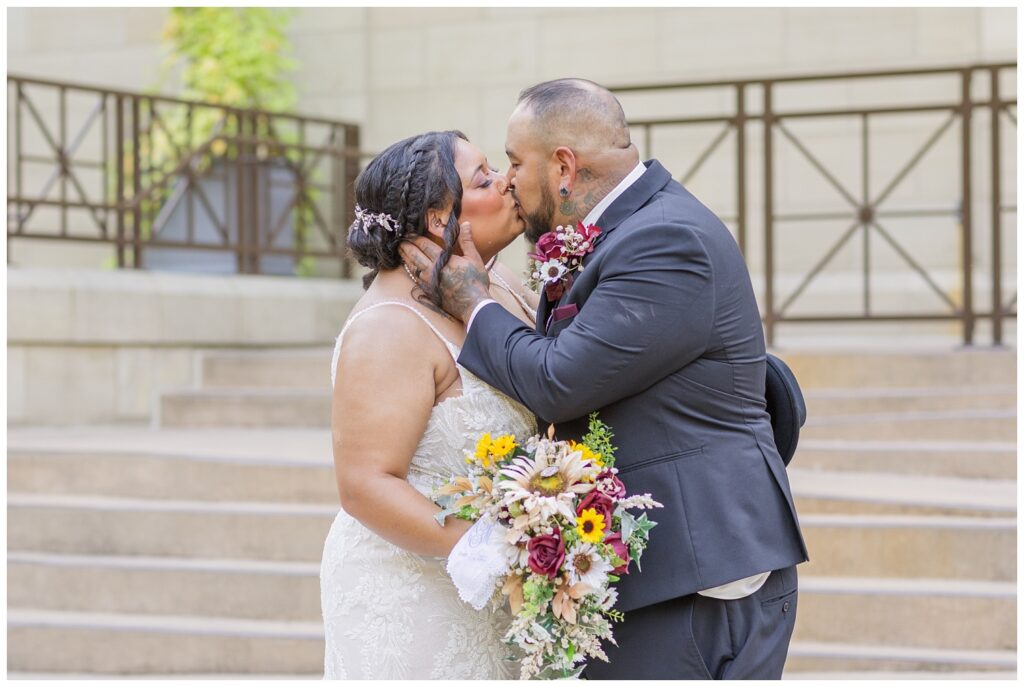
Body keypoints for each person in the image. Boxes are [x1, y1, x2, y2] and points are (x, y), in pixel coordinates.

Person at [399, 79, 810, 680]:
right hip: (662, 572)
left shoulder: (666, 241)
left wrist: (473, 304)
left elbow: (559, 382)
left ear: (564, 166)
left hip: (702, 578)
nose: (508, 180)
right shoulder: (625, 229)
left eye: (515, 162)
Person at [320, 130, 539, 679]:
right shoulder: (389, 328)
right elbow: (365, 484)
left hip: (496, 593)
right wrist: (495, 552)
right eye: (485, 177)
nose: (508, 180)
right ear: (442, 221)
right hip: (414, 595)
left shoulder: (500, 285)